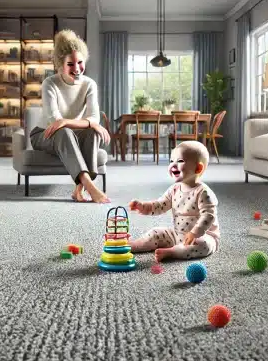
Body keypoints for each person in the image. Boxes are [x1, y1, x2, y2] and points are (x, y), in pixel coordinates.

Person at [30, 29, 111, 203]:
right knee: (65, 132)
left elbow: (94, 117)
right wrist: (87, 122)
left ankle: (78, 190)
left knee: (93, 132)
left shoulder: (89, 84)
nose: (77, 69)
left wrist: (90, 124)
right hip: (44, 134)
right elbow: (55, 121)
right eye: (70, 64)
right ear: (60, 64)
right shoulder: (49, 83)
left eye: (80, 62)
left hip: (69, 132)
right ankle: (90, 186)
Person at [127, 141, 219, 262]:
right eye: (171, 161)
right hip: (176, 235)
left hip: (201, 236)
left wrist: (194, 233)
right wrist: (143, 206)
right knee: (155, 233)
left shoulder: (203, 192)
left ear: (198, 168)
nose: (173, 165)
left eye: (180, 161)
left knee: (204, 245)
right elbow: (160, 205)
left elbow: (208, 216)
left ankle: (172, 252)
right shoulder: (174, 189)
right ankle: (135, 245)